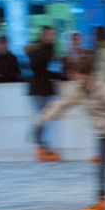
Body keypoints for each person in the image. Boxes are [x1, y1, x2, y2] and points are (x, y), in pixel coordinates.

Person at [35, 55, 105, 210]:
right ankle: (103, 199)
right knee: (102, 166)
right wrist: (41, 121)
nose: (80, 80)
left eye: (83, 76)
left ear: (91, 74)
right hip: (103, 132)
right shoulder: (78, 90)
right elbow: (61, 104)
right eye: (78, 76)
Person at [26, 26, 62, 162]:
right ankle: (39, 146)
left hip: (46, 87)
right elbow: (37, 67)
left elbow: (47, 68)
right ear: (42, 35)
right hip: (37, 88)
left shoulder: (50, 49)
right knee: (42, 118)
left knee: (45, 118)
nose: (51, 37)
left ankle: (41, 146)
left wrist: (58, 75)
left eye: (52, 35)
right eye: (48, 35)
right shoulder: (36, 49)